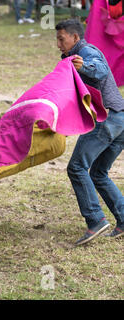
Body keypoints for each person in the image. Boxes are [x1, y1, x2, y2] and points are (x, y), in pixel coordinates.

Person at [55, 19, 124, 245]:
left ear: (75, 38)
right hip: (120, 118)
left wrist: (83, 66)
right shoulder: (70, 59)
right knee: (98, 173)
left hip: (108, 118)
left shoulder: (85, 52)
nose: (58, 44)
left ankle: (95, 221)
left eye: (61, 39)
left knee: (76, 167)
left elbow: (101, 69)